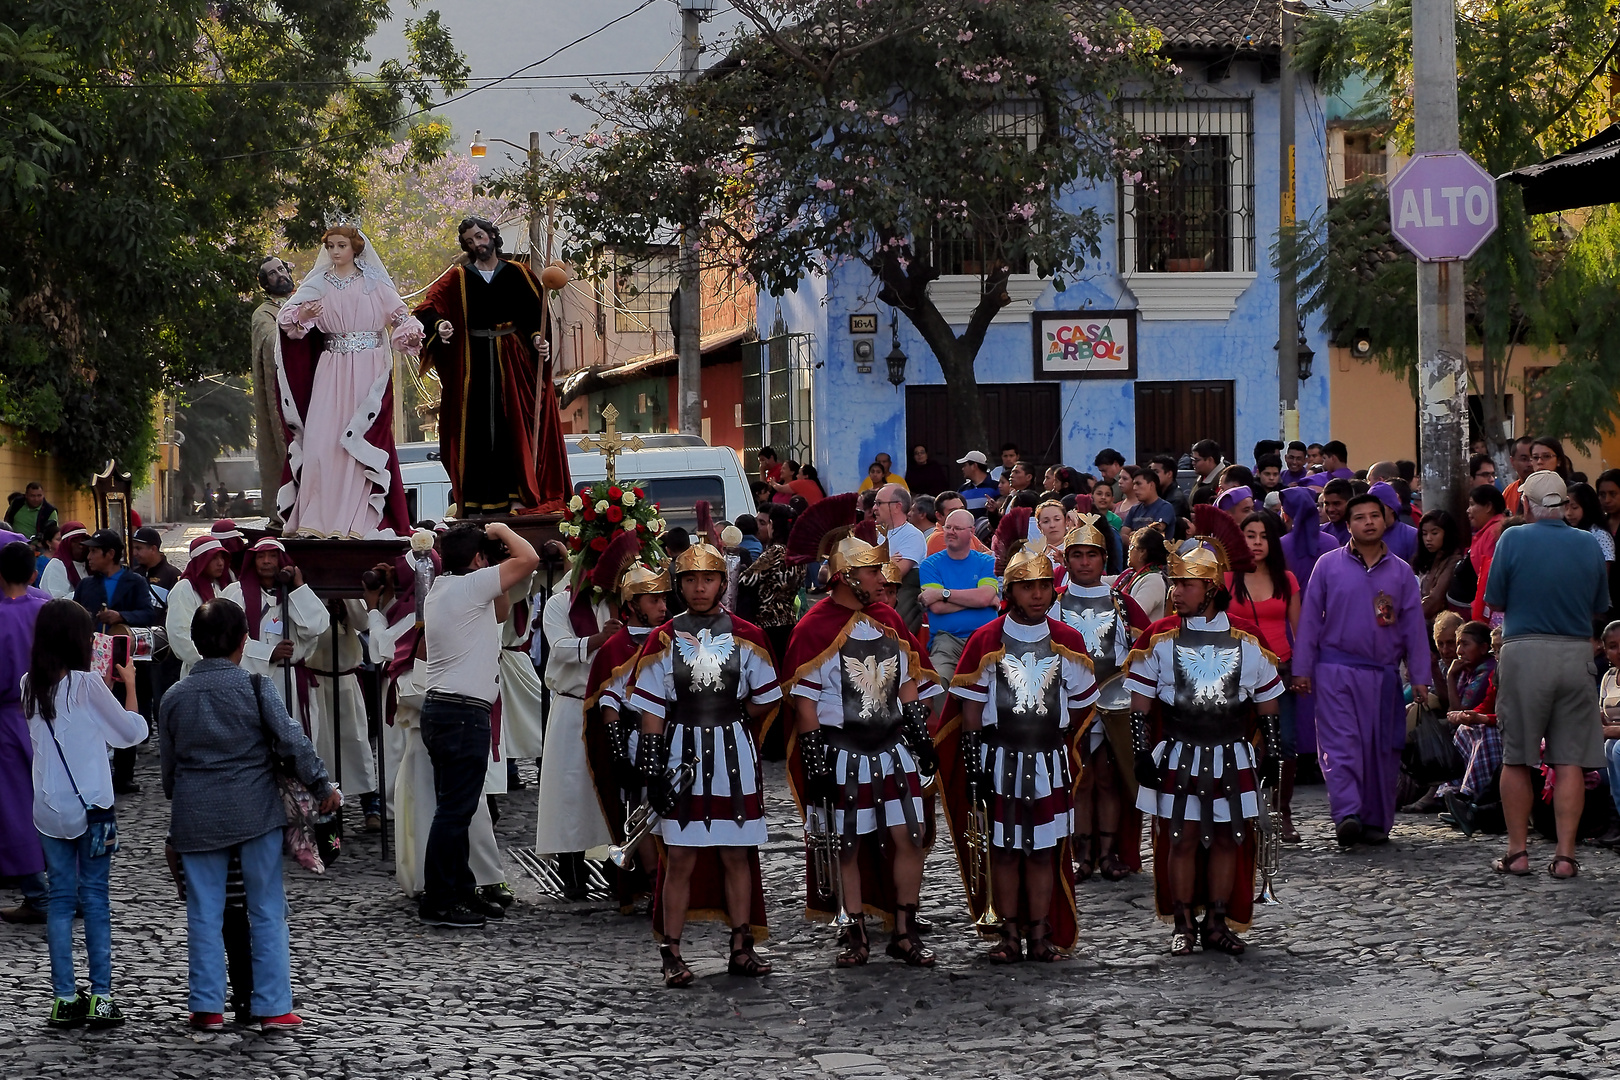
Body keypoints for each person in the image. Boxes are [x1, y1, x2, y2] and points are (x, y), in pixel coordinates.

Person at [160, 598, 337, 1032]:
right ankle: (274, 1006)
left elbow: (168, 773)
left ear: (197, 643)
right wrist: (321, 786)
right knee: (266, 908)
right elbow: (293, 741)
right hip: (255, 812)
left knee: (204, 911)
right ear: (243, 642)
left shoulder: (174, 697)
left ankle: (206, 1006)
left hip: (196, 816)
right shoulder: (257, 688)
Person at [783, 531, 940, 967]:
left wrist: (920, 735)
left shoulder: (886, 617)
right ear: (846, 576)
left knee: (909, 838)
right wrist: (815, 764)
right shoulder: (814, 627)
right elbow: (806, 703)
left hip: (893, 747)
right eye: (871, 572)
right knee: (846, 843)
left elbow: (907, 680)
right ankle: (854, 931)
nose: (880, 579)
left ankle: (904, 931)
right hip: (842, 752)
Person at [629, 542, 782, 987]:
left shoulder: (747, 636)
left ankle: (741, 945)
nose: (700, 587)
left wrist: (726, 724)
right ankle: (671, 952)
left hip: (734, 755)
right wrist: (655, 768)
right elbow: (652, 710)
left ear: (722, 582)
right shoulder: (664, 639)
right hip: (680, 755)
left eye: (709, 579)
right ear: (679, 585)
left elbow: (765, 700)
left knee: (737, 853)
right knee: (680, 858)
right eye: (691, 580)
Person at [1127, 525, 1283, 956]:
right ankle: (1183, 923)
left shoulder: (1248, 638)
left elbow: (1268, 702)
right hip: (1179, 750)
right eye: (1174, 583)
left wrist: (1273, 752)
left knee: (1228, 836)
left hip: (1232, 752)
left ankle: (1217, 921)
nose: (1176, 592)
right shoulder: (1157, 638)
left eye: (1185, 584)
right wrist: (1141, 753)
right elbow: (1140, 704)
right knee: (1182, 837)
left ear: (1211, 588)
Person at [940, 541, 1097, 962]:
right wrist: (974, 768)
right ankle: (1008, 932)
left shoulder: (1068, 639)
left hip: (1048, 758)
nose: (1038, 594)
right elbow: (970, 709)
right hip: (1001, 760)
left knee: (1044, 851)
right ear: (1011, 590)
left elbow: (1082, 705)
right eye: (1028, 586)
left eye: (1044, 585)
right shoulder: (986, 639)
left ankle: (1040, 932)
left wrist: (1064, 750)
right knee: (1006, 850)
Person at [26, 599, 147, 1029]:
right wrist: (129, 685)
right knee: (94, 898)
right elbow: (130, 733)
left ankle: (63, 998)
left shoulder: (28, 684)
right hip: (94, 808)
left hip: (48, 810)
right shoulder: (87, 684)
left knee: (60, 901)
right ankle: (101, 996)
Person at [1483, 471, 1610, 879]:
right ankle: (1566, 856)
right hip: (1575, 654)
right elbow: (1599, 604)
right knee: (1570, 759)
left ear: (1526, 504)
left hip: (1525, 653)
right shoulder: (1589, 543)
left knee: (1518, 757)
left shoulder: (1513, 539)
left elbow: (1496, 598)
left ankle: (1518, 852)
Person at [1292, 492, 1431, 847]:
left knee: (1383, 749)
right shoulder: (1327, 565)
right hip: (1335, 669)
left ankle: (1376, 821)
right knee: (1341, 745)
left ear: (1386, 520)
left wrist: (1419, 677)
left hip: (1383, 674)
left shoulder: (1401, 572)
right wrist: (1302, 668)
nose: (1368, 522)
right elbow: (1309, 619)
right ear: (1348, 525)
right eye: (1359, 517)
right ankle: (1348, 813)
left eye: (1375, 515)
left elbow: (1413, 628)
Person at [418, 521, 539, 926]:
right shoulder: (469, 587)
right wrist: (503, 529)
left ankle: (461, 890)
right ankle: (438, 900)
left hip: (446, 709)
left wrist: (492, 561)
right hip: (461, 712)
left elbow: (502, 610)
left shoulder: (443, 588)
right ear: (476, 561)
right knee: (454, 812)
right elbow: (531, 559)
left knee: (459, 810)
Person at [412, 217, 569, 515]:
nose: (477, 244)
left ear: (493, 236)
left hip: (512, 360)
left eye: (480, 236)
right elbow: (426, 307)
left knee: (515, 426)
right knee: (475, 429)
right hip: (473, 362)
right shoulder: (457, 277)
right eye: (470, 241)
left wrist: (537, 339)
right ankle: (476, 499)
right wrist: (441, 324)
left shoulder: (517, 273)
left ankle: (518, 494)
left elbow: (535, 316)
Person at [276, 222, 423, 537]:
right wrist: (303, 317)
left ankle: (360, 519)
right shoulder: (318, 283)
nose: (335, 252)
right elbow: (288, 320)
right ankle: (315, 519)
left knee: (358, 441)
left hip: (367, 367)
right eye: (330, 246)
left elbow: (400, 317)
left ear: (356, 247)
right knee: (319, 442)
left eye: (341, 245)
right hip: (331, 368)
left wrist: (410, 331)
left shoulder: (373, 283)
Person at [1057, 515, 1149, 880]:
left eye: (1091, 555)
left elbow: (1143, 656)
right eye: (1076, 555)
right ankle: (1082, 854)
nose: (1083, 562)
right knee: (1081, 780)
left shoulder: (1123, 606)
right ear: (1066, 561)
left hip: (1116, 708)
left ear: (1103, 559)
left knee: (1110, 779)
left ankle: (1109, 852)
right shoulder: (1053, 603)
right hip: (1069, 708)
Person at [537, 529, 622, 899]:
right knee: (571, 791)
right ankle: (571, 868)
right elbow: (558, 647)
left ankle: (616, 864)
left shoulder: (617, 600)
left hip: (613, 705)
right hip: (573, 704)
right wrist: (597, 641)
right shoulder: (559, 603)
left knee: (613, 787)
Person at [583, 557, 670, 903]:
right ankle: (653, 883)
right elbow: (609, 705)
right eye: (654, 600)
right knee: (643, 814)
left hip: (674, 735)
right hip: (636, 739)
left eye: (664, 599)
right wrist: (619, 755)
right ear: (632, 605)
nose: (663, 606)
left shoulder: (673, 638)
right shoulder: (615, 648)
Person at [1227, 511, 1302, 842]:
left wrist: (1302, 669)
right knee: (1239, 743)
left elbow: (1300, 629)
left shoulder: (1287, 579)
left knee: (1284, 744)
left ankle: (1281, 810)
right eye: (1250, 535)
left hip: (1280, 671)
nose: (1256, 542)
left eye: (1263, 536)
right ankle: (1242, 809)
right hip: (1235, 673)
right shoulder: (1226, 578)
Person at [69, 529, 155, 795]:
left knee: (123, 710)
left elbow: (149, 613)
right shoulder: (86, 585)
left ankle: (124, 774)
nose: (89, 556)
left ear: (111, 554)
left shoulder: (135, 582)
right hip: (91, 660)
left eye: (95, 551)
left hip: (123, 659)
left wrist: (121, 616)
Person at [217, 538, 326, 718]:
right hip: (251, 679)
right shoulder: (235, 592)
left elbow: (315, 627)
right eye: (261, 556)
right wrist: (268, 654)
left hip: (290, 681)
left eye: (272, 556)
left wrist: (298, 587)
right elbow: (227, 637)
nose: (266, 561)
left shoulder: (297, 594)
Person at [0, 542, 47, 925]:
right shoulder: (47, 608)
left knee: (15, 806)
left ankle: (38, 893)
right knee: (56, 799)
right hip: (47, 714)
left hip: (6, 718)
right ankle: (73, 889)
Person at [918, 509, 1000, 681]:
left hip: (985, 637)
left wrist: (942, 593)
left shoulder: (987, 562)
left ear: (972, 532)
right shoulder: (930, 565)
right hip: (946, 641)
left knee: (1002, 680)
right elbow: (937, 607)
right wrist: (980, 600)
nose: (950, 532)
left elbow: (983, 597)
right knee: (936, 681)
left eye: (957, 528)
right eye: (947, 527)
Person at [1433, 621, 1500, 829]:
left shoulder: (1488, 669)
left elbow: (1460, 708)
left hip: (1507, 728)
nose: (1458, 651)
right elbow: (1481, 706)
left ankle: (1467, 796)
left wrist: (1451, 677)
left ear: (1482, 648)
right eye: (1458, 644)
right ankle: (1451, 793)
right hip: (1491, 721)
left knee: (1480, 734)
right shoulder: (1471, 670)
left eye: (1465, 644)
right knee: (1464, 730)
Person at [252, 257, 294, 527]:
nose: (279, 275)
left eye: (281, 269)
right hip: (286, 391)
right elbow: (270, 341)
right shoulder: (264, 313)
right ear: (266, 284)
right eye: (272, 273)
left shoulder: (308, 299)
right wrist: (296, 326)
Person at [166, 535, 234, 680]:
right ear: (201, 561)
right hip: (198, 671)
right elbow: (179, 634)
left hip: (224, 669)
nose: (220, 563)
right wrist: (206, 664)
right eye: (214, 558)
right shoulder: (183, 589)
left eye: (222, 558)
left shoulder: (219, 587)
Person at [874, 483, 926, 633]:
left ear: (897, 506)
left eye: (879, 503)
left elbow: (896, 573)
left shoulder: (912, 535)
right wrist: (889, 561)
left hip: (900, 605)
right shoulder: (876, 534)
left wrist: (878, 564)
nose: (874, 508)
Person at [1414, 509, 1463, 632]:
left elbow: (1435, 600)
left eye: (1434, 533)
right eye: (1424, 534)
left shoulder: (1453, 561)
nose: (1428, 539)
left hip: (1440, 626)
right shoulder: (1423, 559)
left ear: (1447, 534)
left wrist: (1409, 617)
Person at [1466, 484, 1508, 624]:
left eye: (1472, 504)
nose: (1468, 510)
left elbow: (1490, 575)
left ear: (1488, 506)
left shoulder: (1494, 532)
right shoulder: (1488, 530)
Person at [1114, 525, 1171, 622]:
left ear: (1142, 552)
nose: (1129, 550)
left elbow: (1137, 614)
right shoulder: (1129, 575)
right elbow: (1101, 580)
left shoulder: (1153, 580)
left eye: (1132, 546)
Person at [1596, 621, 1620, 849]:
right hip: (1609, 738)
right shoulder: (1608, 677)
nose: (1619, 651)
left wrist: (1611, 730)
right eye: (1613, 646)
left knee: (1616, 748)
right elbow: (1601, 714)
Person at [1503, 436, 1571, 514]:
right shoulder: (1526, 491)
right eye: (1535, 457)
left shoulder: (1573, 490)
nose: (1539, 462)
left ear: (1559, 461)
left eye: (1546, 456)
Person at [1565, 482, 1614, 564]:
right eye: (1565, 508)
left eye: (1574, 507)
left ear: (1587, 507)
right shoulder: (1567, 532)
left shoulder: (1600, 535)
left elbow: (1605, 570)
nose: (1569, 513)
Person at [1122, 468, 1177, 539]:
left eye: (1138, 484)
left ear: (1151, 485)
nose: (1134, 488)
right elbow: (1123, 535)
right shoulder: (1134, 509)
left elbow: (1155, 531)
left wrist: (1134, 535)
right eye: (1134, 484)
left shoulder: (1165, 507)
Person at [39, 523, 89, 601]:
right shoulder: (56, 565)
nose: (81, 544)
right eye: (75, 541)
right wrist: (87, 590)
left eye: (83, 540)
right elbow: (58, 601)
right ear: (66, 544)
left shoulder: (90, 563)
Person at [956, 452, 1000, 520]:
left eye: (965, 465)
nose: (963, 469)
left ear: (974, 466)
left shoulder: (996, 487)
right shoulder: (962, 490)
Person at [1188, 440, 1227, 506]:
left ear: (1210, 460)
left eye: (1196, 460)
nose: (1193, 463)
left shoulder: (1223, 480)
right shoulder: (1202, 476)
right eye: (1192, 459)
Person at [1319, 477, 1354, 546]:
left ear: (1350, 502)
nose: (1330, 509)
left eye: (1336, 504)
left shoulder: (1358, 533)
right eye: (1327, 504)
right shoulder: (1321, 531)